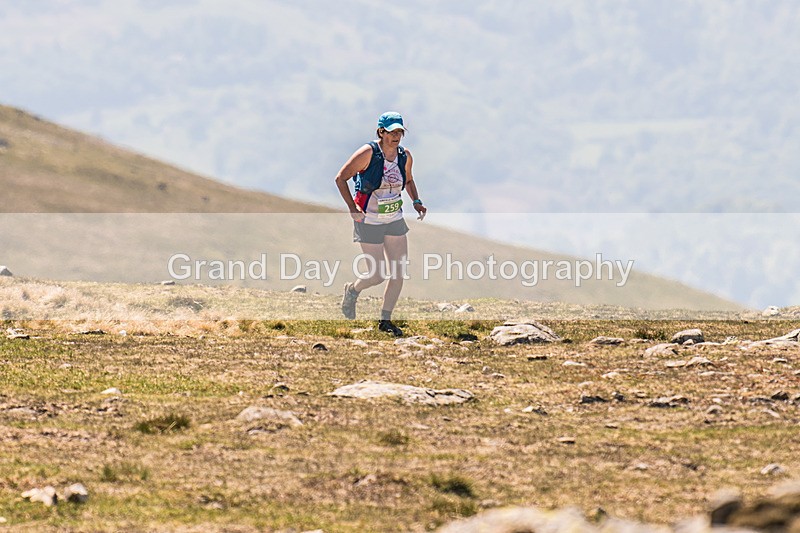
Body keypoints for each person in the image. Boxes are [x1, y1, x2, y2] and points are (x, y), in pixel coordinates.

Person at [334, 111, 427, 336]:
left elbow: (409, 179)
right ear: (381, 132)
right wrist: (351, 207)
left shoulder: (405, 155)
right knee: (377, 275)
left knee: (398, 272)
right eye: (391, 131)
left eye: (399, 132)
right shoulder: (368, 153)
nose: (396, 136)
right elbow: (341, 178)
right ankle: (353, 291)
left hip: (394, 219)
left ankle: (385, 320)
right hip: (369, 221)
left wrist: (416, 200)